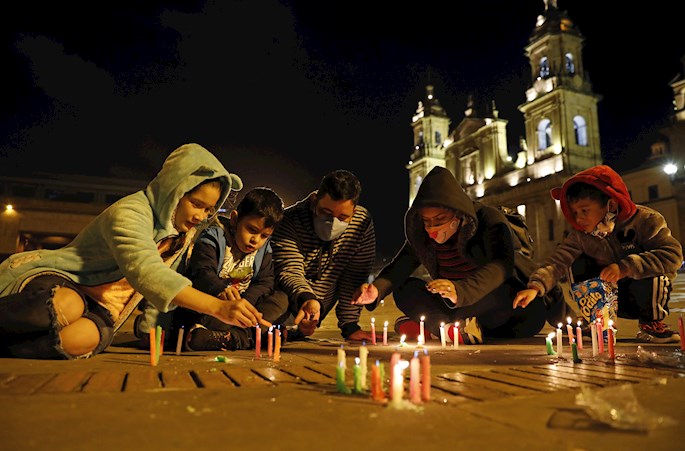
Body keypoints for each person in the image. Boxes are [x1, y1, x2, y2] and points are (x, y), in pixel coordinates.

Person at [0, 143, 270, 360]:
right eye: (196, 204)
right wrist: (219, 307)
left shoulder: (182, 233)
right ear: (174, 190)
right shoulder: (130, 212)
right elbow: (147, 272)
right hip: (66, 282)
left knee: (80, 340)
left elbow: (164, 286)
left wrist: (153, 332)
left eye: (209, 209)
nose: (201, 216)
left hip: (105, 310)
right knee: (68, 305)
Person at [353, 166, 555, 344]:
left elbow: (501, 266)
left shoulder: (488, 219)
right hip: (450, 304)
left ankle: (436, 327)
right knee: (404, 288)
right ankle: (449, 330)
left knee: (515, 301)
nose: (432, 227)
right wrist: (376, 290)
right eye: (426, 221)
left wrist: (460, 291)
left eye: (440, 219)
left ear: (457, 212)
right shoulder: (422, 234)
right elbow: (401, 266)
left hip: (488, 300)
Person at [513, 165, 684, 343]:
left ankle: (651, 323)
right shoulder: (581, 236)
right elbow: (557, 262)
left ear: (611, 204)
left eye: (584, 210)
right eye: (575, 213)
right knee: (576, 261)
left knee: (653, 271)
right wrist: (535, 287)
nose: (579, 218)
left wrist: (625, 267)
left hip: (643, 295)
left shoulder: (645, 220)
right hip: (607, 297)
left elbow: (672, 255)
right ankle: (599, 322)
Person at [170, 187, 288, 351]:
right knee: (215, 316)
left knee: (281, 299)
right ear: (235, 219)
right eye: (252, 230)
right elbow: (202, 272)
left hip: (243, 307)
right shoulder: (213, 237)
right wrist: (220, 290)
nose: (255, 240)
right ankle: (247, 337)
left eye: (264, 236)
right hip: (212, 309)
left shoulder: (264, 250)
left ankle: (232, 338)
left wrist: (246, 302)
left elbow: (265, 282)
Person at [270, 169, 377, 341]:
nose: (333, 223)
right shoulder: (290, 220)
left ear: (354, 212)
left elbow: (354, 275)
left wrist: (350, 326)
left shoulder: (361, 223)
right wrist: (306, 299)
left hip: (319, 305)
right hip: (289, 298)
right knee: (273, 322)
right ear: (314, 201)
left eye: (343, 217)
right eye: (326, 213)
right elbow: (289, 269)